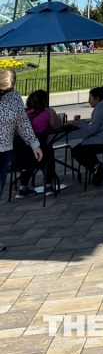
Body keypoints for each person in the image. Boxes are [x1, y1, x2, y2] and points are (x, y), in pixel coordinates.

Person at [0, 71, 42, 249]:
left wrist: (34, 144)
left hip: (4, 151)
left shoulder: (13, 97)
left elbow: (22, 122)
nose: (4, 93)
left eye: (7, 90)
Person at [71, 87, 103, 187]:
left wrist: (80, 124)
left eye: (90, 98)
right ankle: (97, 168)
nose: (88, 101)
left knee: (77, 150)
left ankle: (96, 167)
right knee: (84, 147)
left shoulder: (100, 108)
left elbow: (94, 129)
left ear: (97, 99)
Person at [15, 90, 62, 198]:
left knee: (29, 157)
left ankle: (23, 187)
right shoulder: (47, 113)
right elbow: (57, 127)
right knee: (48, 153)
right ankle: (48, 185)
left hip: (19, 155)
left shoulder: (21, 114)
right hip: (40, 152)